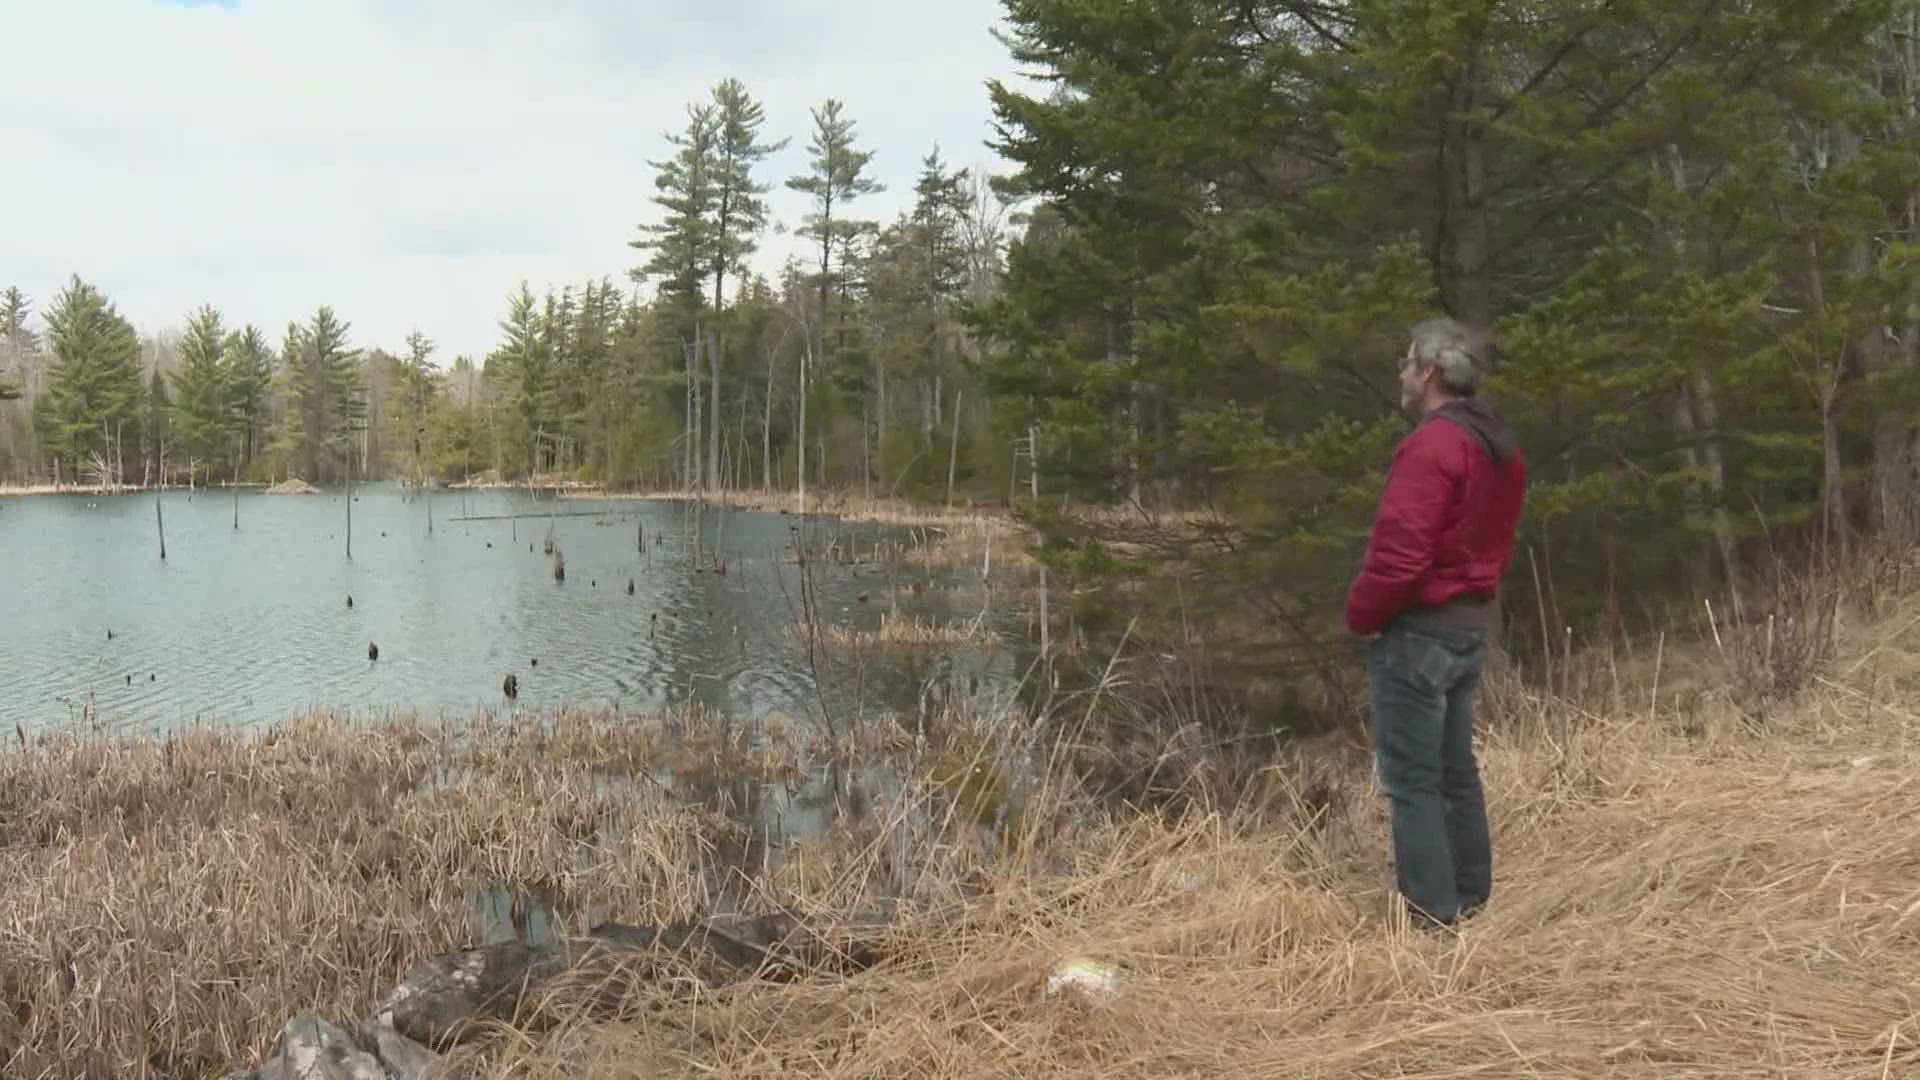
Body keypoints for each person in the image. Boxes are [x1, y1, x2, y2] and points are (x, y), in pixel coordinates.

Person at [1345, 318, 1527, 931]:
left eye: (1405, 362)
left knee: (1414, 782)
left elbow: (1400, 554)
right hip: (1466, 628)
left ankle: (1432, 919)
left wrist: (1362, 616)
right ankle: (1470, 897)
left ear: (1428, 372)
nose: (1399, 373)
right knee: (1453, 772)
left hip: (1420, 633)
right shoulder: (1496, 445)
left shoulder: (1435, 446)